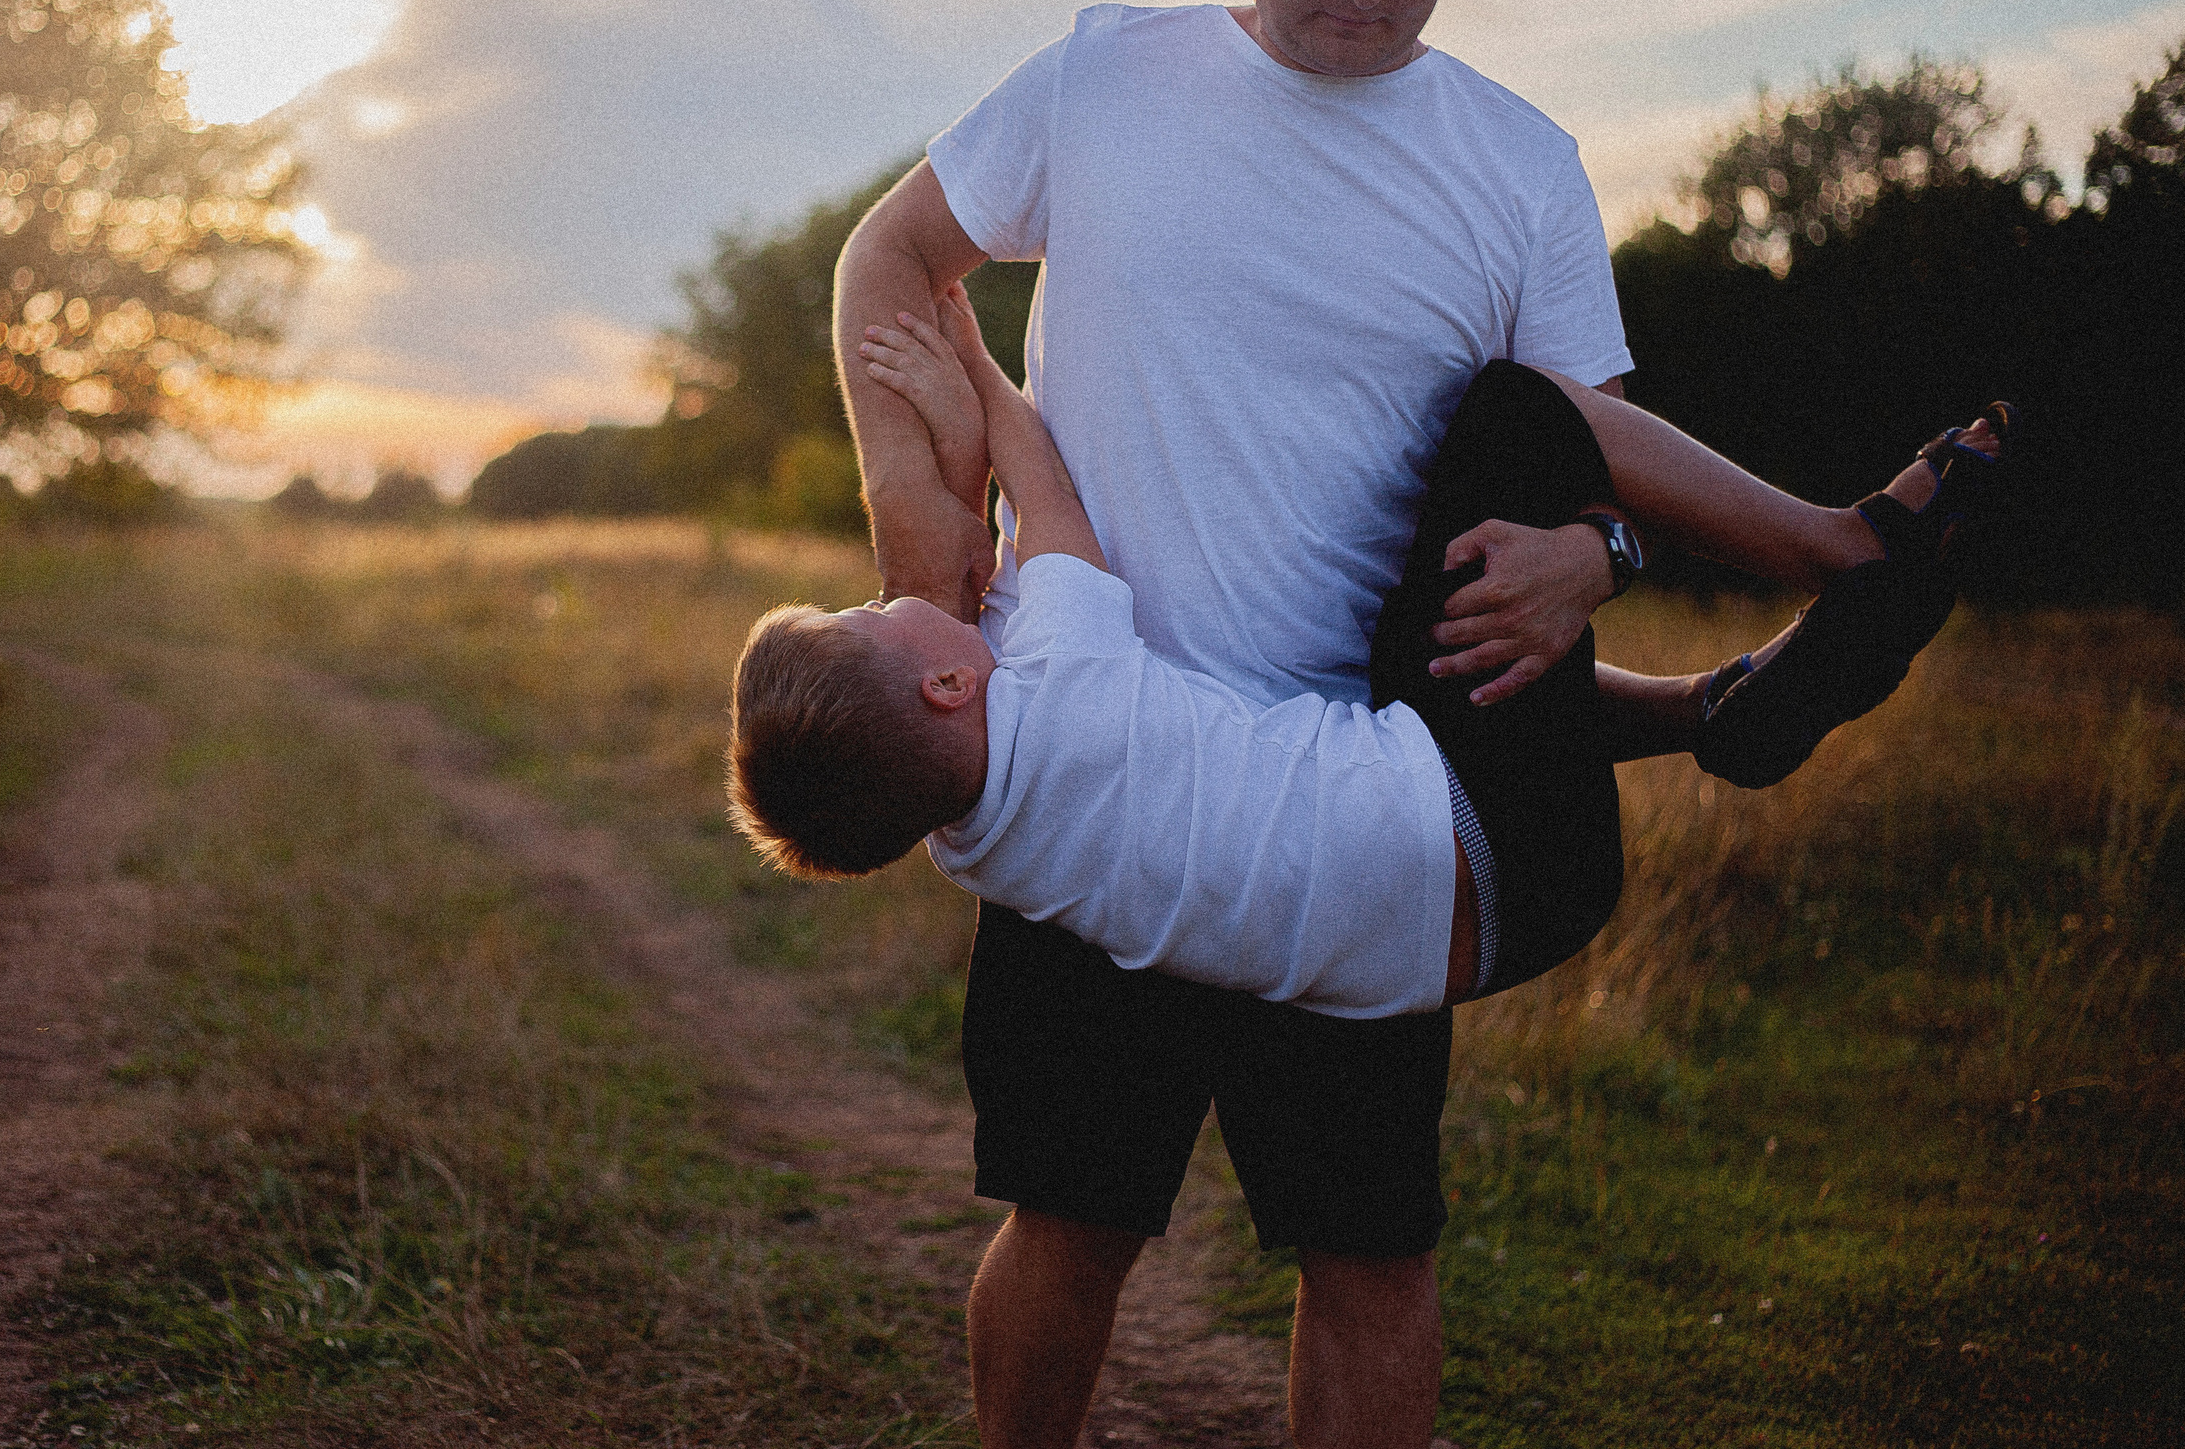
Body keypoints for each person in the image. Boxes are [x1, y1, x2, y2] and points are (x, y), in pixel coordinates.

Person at [827, 0, 2003, 1449]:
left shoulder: (1518, 166)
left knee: (1373, 1255)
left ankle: (1835, 562)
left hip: (1367, 801)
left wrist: (1592, 556)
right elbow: (891, 255)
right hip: (1104, 787)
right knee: (1070, 1217)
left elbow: (1577, 451)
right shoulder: (1101, 81)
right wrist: (915, 521)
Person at [731, 284, 2005, 1015]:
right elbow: (1047, 512)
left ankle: (1719, 716)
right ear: (948, 684)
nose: (884, 596)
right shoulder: (1056, 690)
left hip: (1477, 921)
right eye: (865, 616)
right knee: (1515, 413)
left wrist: (942, 484)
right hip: (1491, 835)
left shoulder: (977, 835)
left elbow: (983, 593)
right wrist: (973, 357)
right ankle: (1842, 545)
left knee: (1388, 701)